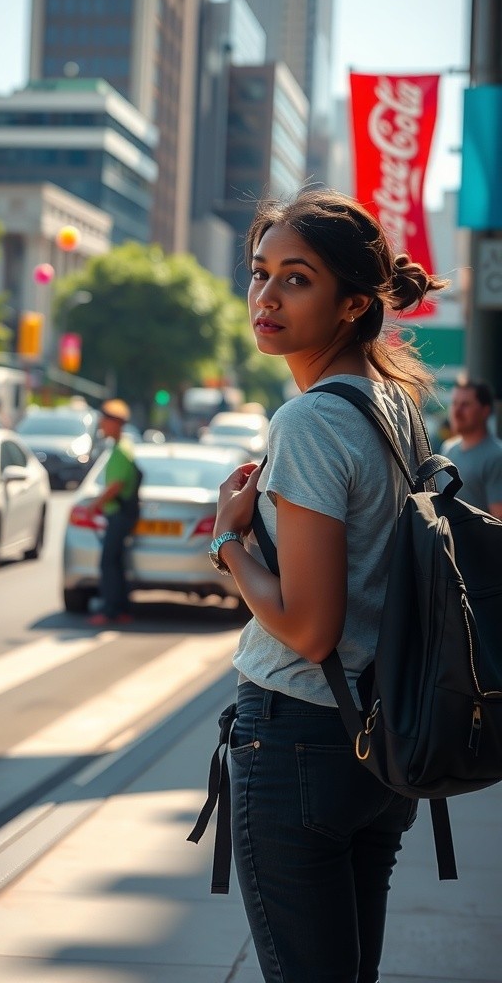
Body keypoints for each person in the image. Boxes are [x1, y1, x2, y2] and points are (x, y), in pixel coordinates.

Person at [206, 188, 449, 983]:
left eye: (296, 278)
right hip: (381, 744)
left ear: (352, 304)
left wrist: (229, 542)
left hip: (300, 738)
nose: (266, 297)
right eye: (259, 272)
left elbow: (310, 628)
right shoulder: (395, 403)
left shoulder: (308, 422)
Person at [87, 398, 139, 627]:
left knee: (108, 563)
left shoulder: (120, 450)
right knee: (116, 563)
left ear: (115, 423)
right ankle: (120, 609)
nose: (101, 425)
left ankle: (111, 610)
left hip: (118, 514)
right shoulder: (121, 447)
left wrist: (94, 505)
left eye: (105, 420)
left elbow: (115, 486)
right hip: (120, 514)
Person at [440, 379, 502, 517]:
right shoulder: (448, 449)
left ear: (485, 411)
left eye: (465, 404)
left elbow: (499, 520)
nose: (457, 411)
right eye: (454, 403)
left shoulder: (497, 456)